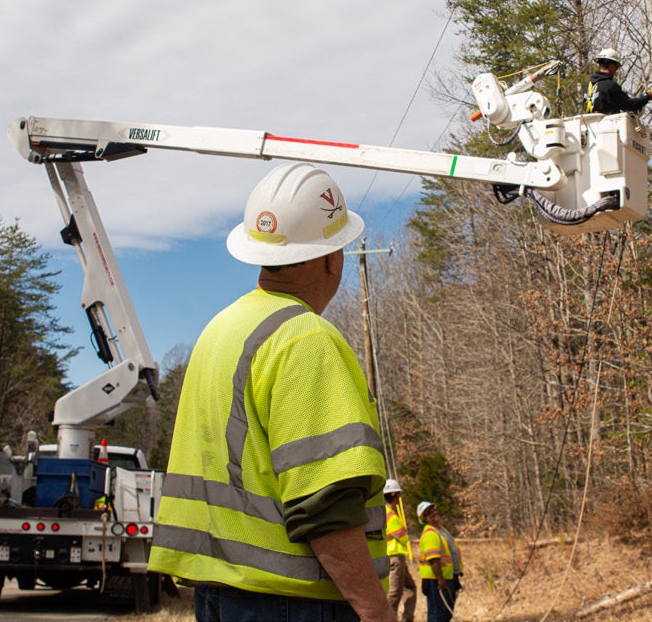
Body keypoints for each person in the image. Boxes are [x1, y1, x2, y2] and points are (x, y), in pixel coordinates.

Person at [148, 162, 393, 622]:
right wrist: (374, 607)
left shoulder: (218, 333)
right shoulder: (306, 339)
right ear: (332, 257)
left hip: (217, 597)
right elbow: (325, 500)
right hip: (296, 602)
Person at [416, 501, 463, 622]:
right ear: (424, 518)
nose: (433, 512)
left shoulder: (441, 530)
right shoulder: (430, 534)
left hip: (448, 578)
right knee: (437, 615)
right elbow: (433, 559)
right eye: (429, 512)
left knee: (445, 614)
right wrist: (440, 580)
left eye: (433, 509)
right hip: (436, 581)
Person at [384, 479, 417, 622]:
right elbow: (403, 536)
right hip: (395, 557)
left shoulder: (381, 513)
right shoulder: (390, 515)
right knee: (395, 593)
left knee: (409, 588)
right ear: (395, 495)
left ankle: (406, 618)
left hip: (390, 557)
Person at [586, 48, 652, 115]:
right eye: (616, 67)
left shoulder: (588, 87)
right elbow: (629, 105)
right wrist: (647, 97)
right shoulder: (610, 85)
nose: (616, 70)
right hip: (609, 124)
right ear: (611, 65)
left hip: (589, 124)